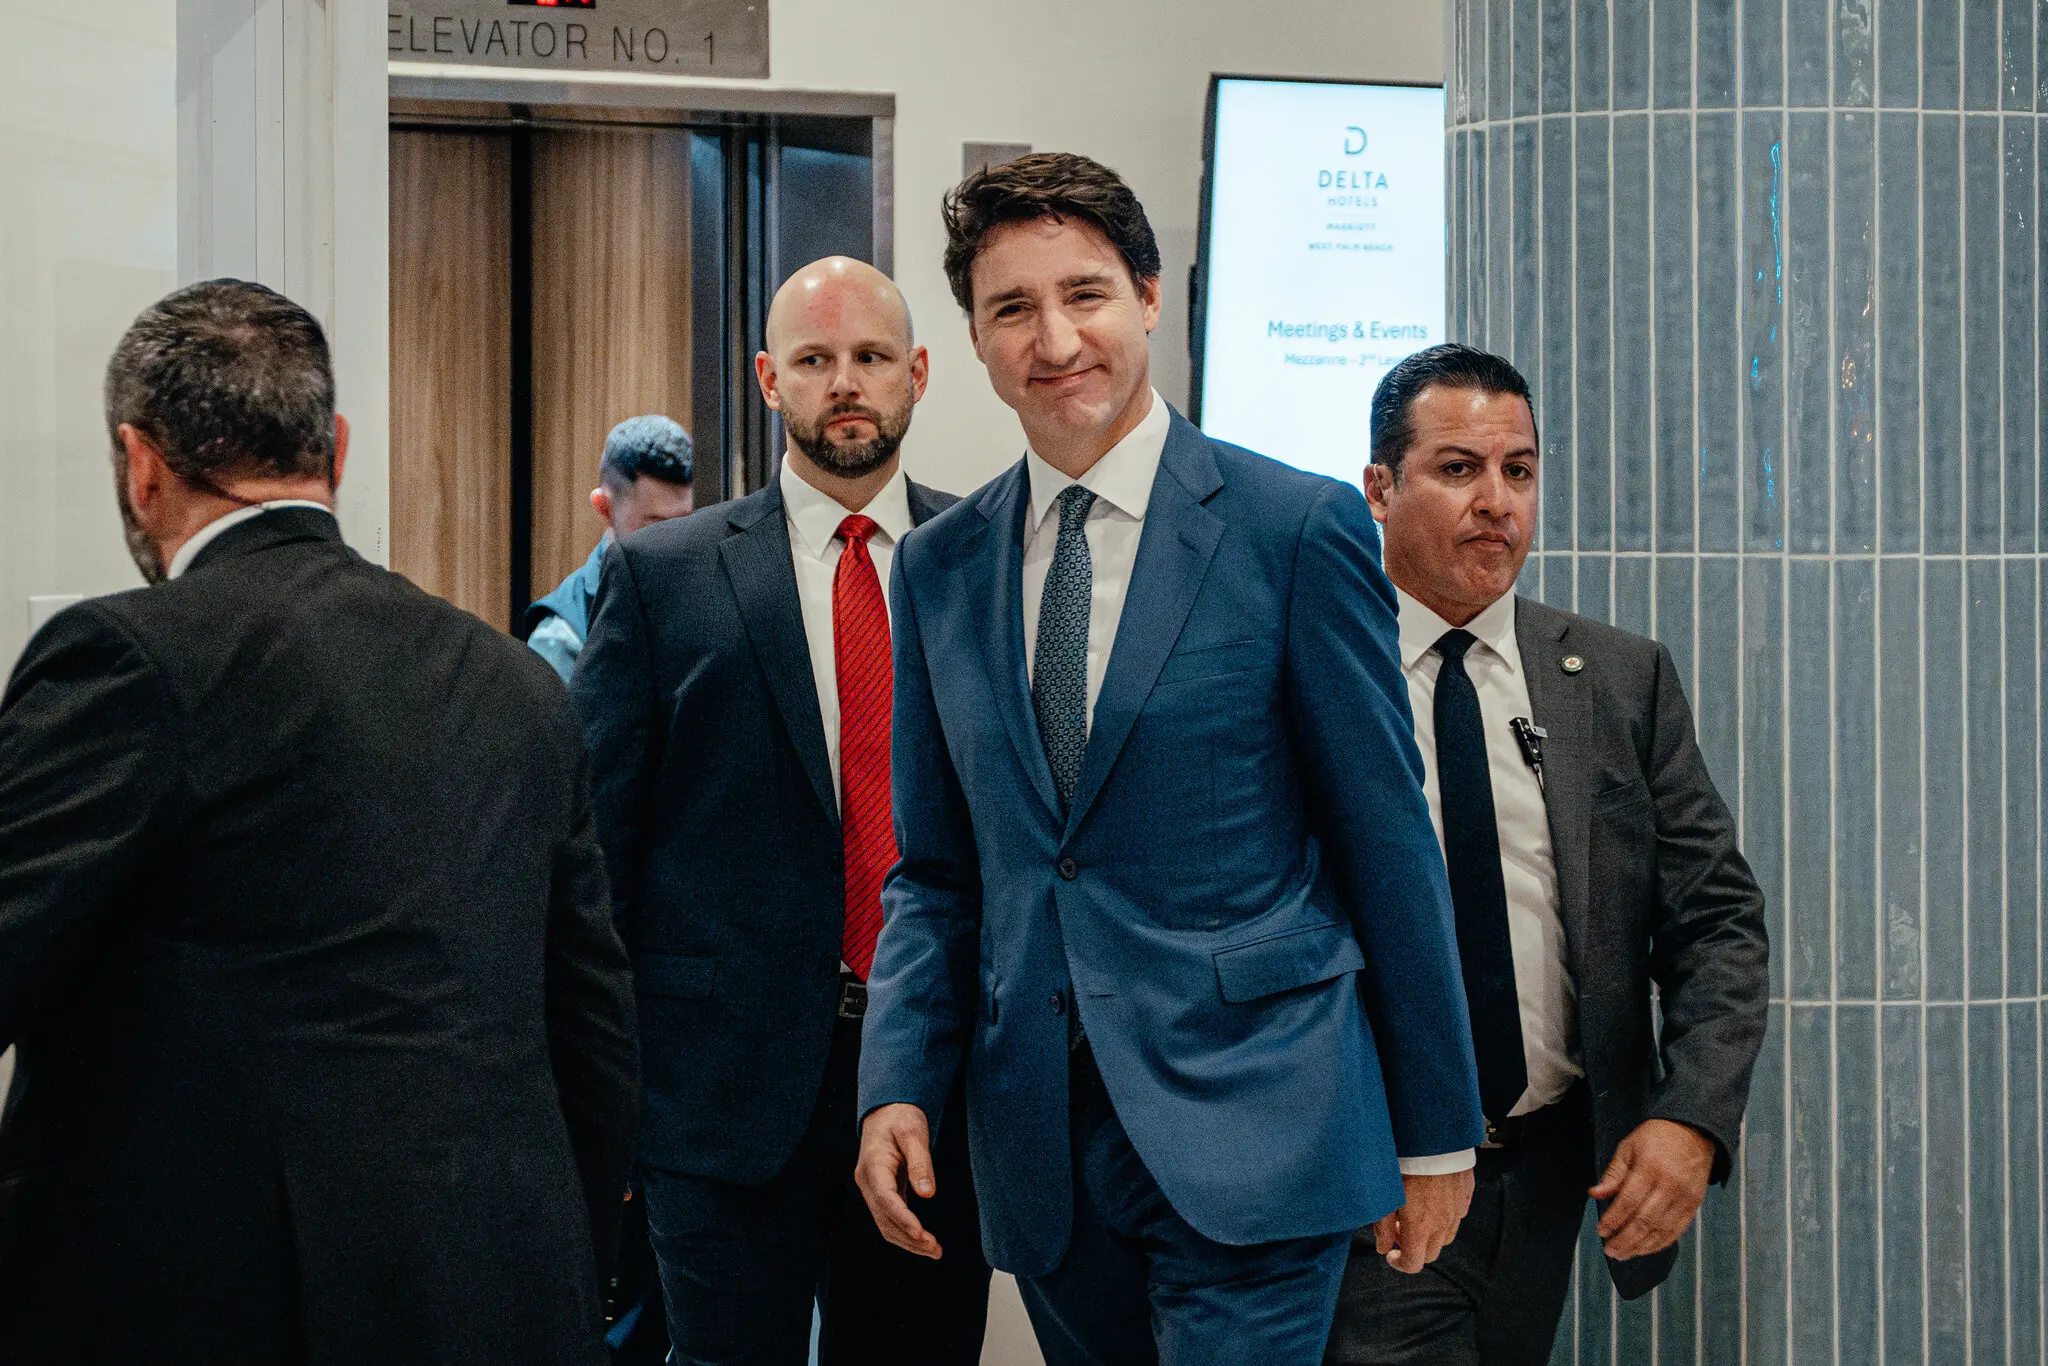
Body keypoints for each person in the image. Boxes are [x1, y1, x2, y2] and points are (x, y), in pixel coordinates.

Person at [852, 153, 1484, 1366]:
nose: (1054, 338)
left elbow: (1385, 840)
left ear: (1146, 296)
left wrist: (1436, 1129)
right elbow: (933, 875)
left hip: (1263, 1114)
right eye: (1010, 308)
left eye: (1083, 293)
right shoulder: (936, 568)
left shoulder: (1291, 529)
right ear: (974, 346)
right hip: (1041, 1137)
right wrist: (894, 1082)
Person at [0, 279, 638, 1362]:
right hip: (504, 1278)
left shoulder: (130, 657)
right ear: (333, 448)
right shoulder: (511, 679)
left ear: (139, 462)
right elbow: (591, 1019)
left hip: (219, 1298)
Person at [573, 256, 991, 1366]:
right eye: (813, 360)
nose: (843, 383)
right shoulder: (663, 577)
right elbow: (596, 856)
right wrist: (599, 1093)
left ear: (918, 373)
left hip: (936, 1086)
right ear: (768, 378)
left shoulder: (981, 562)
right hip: (718, 1098)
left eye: (867, 358)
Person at [1324, 344, 1769, 1365]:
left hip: (1547, 1172)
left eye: (1516, 470)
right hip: (1373, 1183)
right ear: (1379, 489)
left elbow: (1715, 918)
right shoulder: (1317, 672)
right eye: (1456, 468)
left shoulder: (1613, 678)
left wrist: (1689, 1116)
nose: (1494, 501)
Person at [524, 415, 696, 684]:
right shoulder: (563, 639)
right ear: (604, 508)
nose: (678, 542)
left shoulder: (713, 596)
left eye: (687, 522)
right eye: (658, 527)